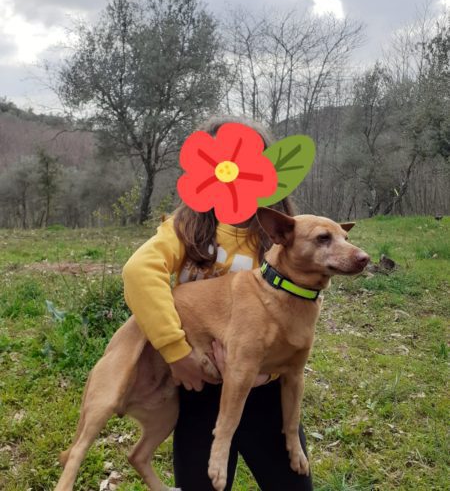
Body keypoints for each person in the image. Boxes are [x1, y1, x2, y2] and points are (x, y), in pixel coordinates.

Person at [123, 116, 313, 491]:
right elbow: (139, 272)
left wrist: (264, 375)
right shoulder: (185, 229)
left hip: (265, 396)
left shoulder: (280, 238)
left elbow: (296, 317)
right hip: (199, 390)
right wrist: (177, 353)